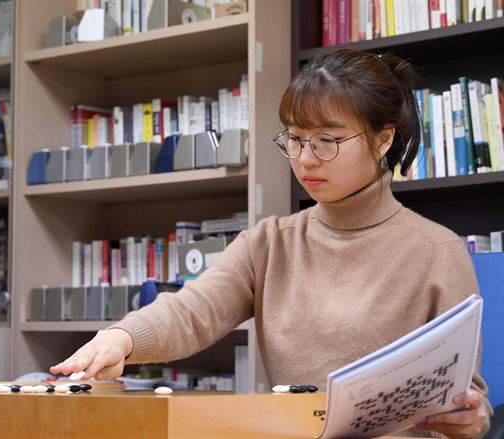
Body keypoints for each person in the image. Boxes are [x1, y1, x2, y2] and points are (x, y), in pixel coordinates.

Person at [50, 49, 491, 438]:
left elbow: (468, 397)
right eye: (295, 139)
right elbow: (192, 310)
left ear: (383, 138)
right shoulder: (270, 243)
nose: (305, 159)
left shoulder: (436, 251)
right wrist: (121, 338)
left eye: (328, 141)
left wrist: (470, 420)